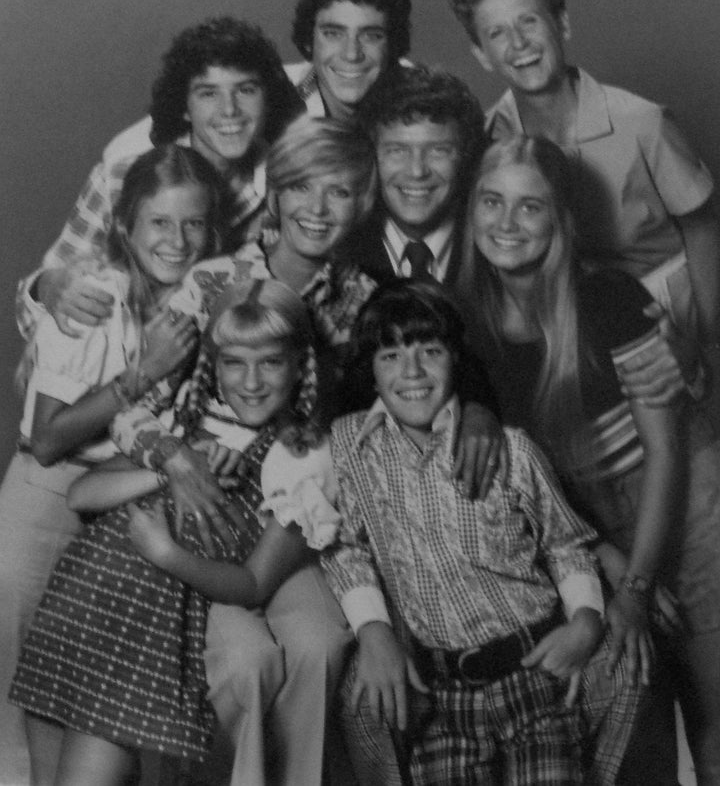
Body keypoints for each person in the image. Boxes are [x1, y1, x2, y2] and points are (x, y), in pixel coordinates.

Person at [456, 136, 720, 784]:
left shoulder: (608, 298)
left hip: (684, 508)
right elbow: (535, 483)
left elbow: (665, 454)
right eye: (492, 201)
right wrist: (606, 557)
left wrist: (633, 589)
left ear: (560, 219)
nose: (507, 224)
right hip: (580, 530)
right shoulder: (466, 321)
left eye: (530, 207)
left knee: (715, 725)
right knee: (631, 726)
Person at [10, 278, 341, 786]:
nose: (250, 381)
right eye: (234, 362)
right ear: (215, 366)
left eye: (270, 362)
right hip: (80, 609)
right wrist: (172, 468)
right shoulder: (190, 424)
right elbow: (81, 495)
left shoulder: (300, 457)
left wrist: (163, 552)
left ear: (300, 366)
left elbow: (252, 584)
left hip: (143, 634)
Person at [322, 278, 608, 785]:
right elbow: (348, 551)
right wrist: (372, 628)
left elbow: (566, 545)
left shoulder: (511, 450)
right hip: (443, 697)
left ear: (457, 358)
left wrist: (585, 620)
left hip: (533, 677)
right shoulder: (351, 451)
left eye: (430, 352)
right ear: (370, 368)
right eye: (389, 355)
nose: (411, 372)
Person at [0, 145, 222, 786]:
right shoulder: (97, 296)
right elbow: (47, 439)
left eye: (193, 225)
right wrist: (144, 373)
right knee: (15, 637)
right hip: (52, 480)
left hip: (123, 484)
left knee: (88, 663)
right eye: (160, 223)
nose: (177, 241)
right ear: (125, 225)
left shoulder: (198, 300)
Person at [449, 0, 720, 408]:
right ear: (481, 54)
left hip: (668, 311)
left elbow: (704, 231)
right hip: (571, 321)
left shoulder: (643, 123)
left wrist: (704, 345)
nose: (518, 45)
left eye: (529, 22)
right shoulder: (489, 139)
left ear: (563, 24)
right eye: (497, 33)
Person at [16, 17, 304, 339]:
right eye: (209, 93)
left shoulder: (289, 183)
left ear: (267, 98)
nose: (230, 110)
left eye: (246, 90)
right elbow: (32, 319)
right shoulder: (123, 176)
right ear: (184, 107)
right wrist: (49, 287)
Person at [337, 64, 484, 287]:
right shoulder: (340, 250)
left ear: (465, 156)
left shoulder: (492, 249)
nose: (417, 171)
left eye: (438, 151)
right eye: (397, 151)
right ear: (371, 157)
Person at [288, 0, 412, 121]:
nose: (351, 54)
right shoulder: (274, 97)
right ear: (309, 41)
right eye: (333, 34)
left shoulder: (421, 98)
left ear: (392, 44)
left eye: (371, 36)